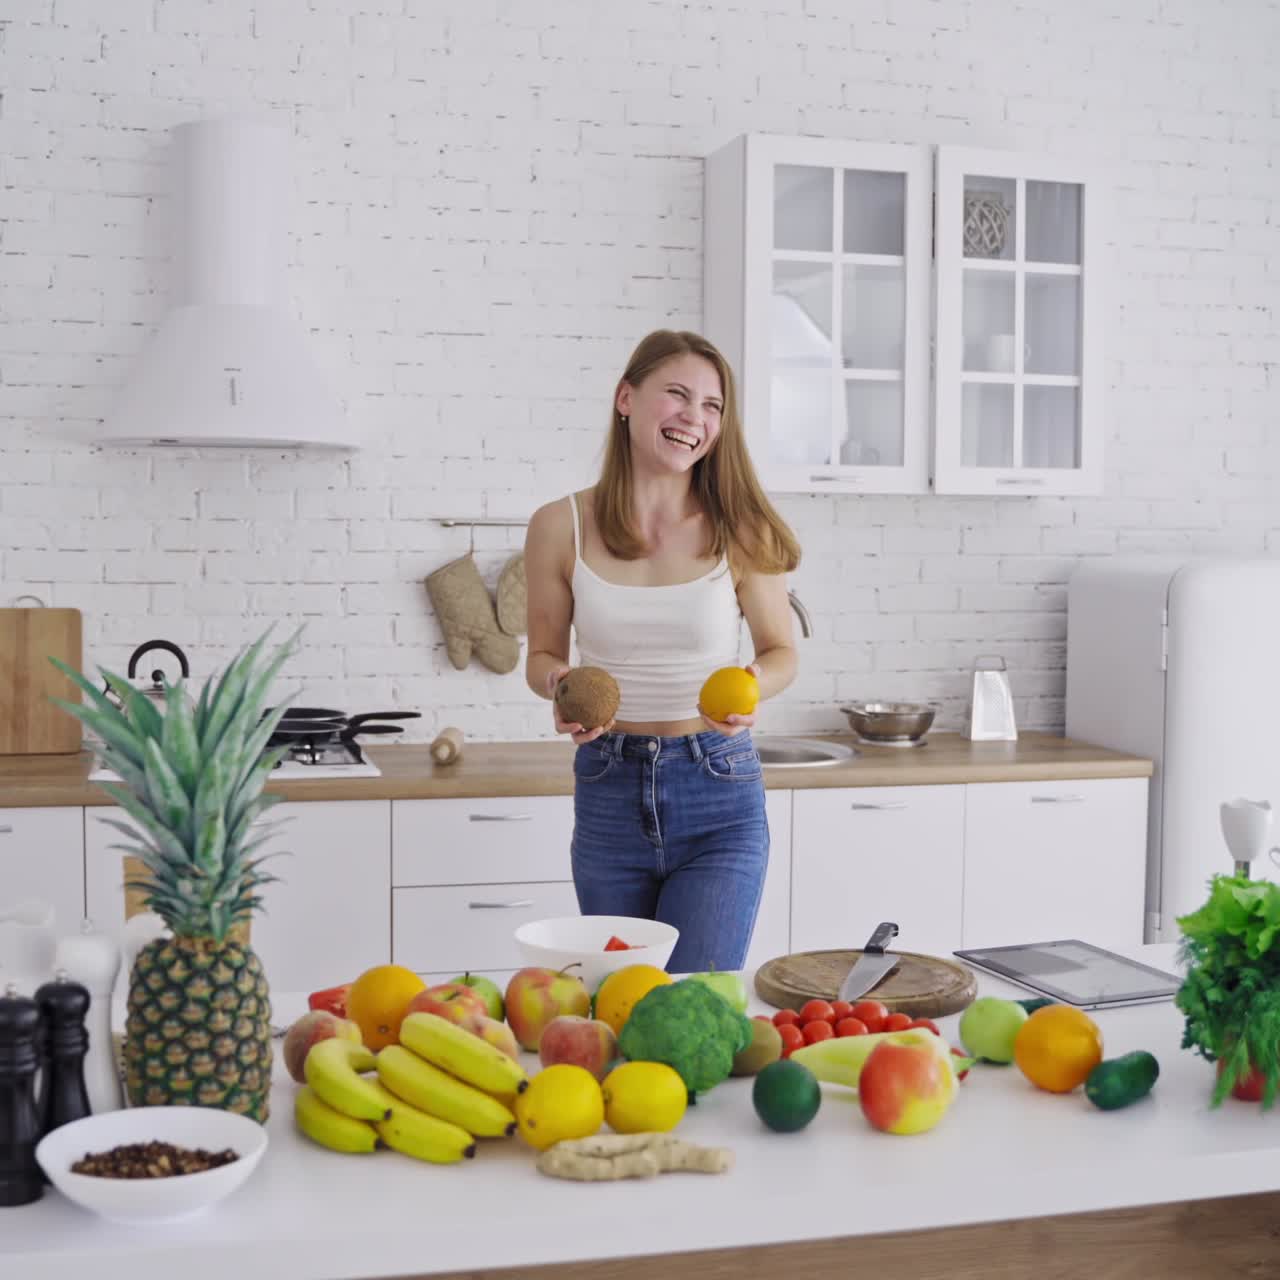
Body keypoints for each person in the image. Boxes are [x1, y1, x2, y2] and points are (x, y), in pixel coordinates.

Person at [524, 329, 801, 973]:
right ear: (626, 397)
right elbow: (540, 656)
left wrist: (752, 682)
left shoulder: (741, 525)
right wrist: (561, 685)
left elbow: (782, 649)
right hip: (607, 786)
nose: (694, 418)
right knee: (624, 1001)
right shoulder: (558, 525)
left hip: (718, 789)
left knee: (696, 1005)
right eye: (677, 395)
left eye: (712, 406)